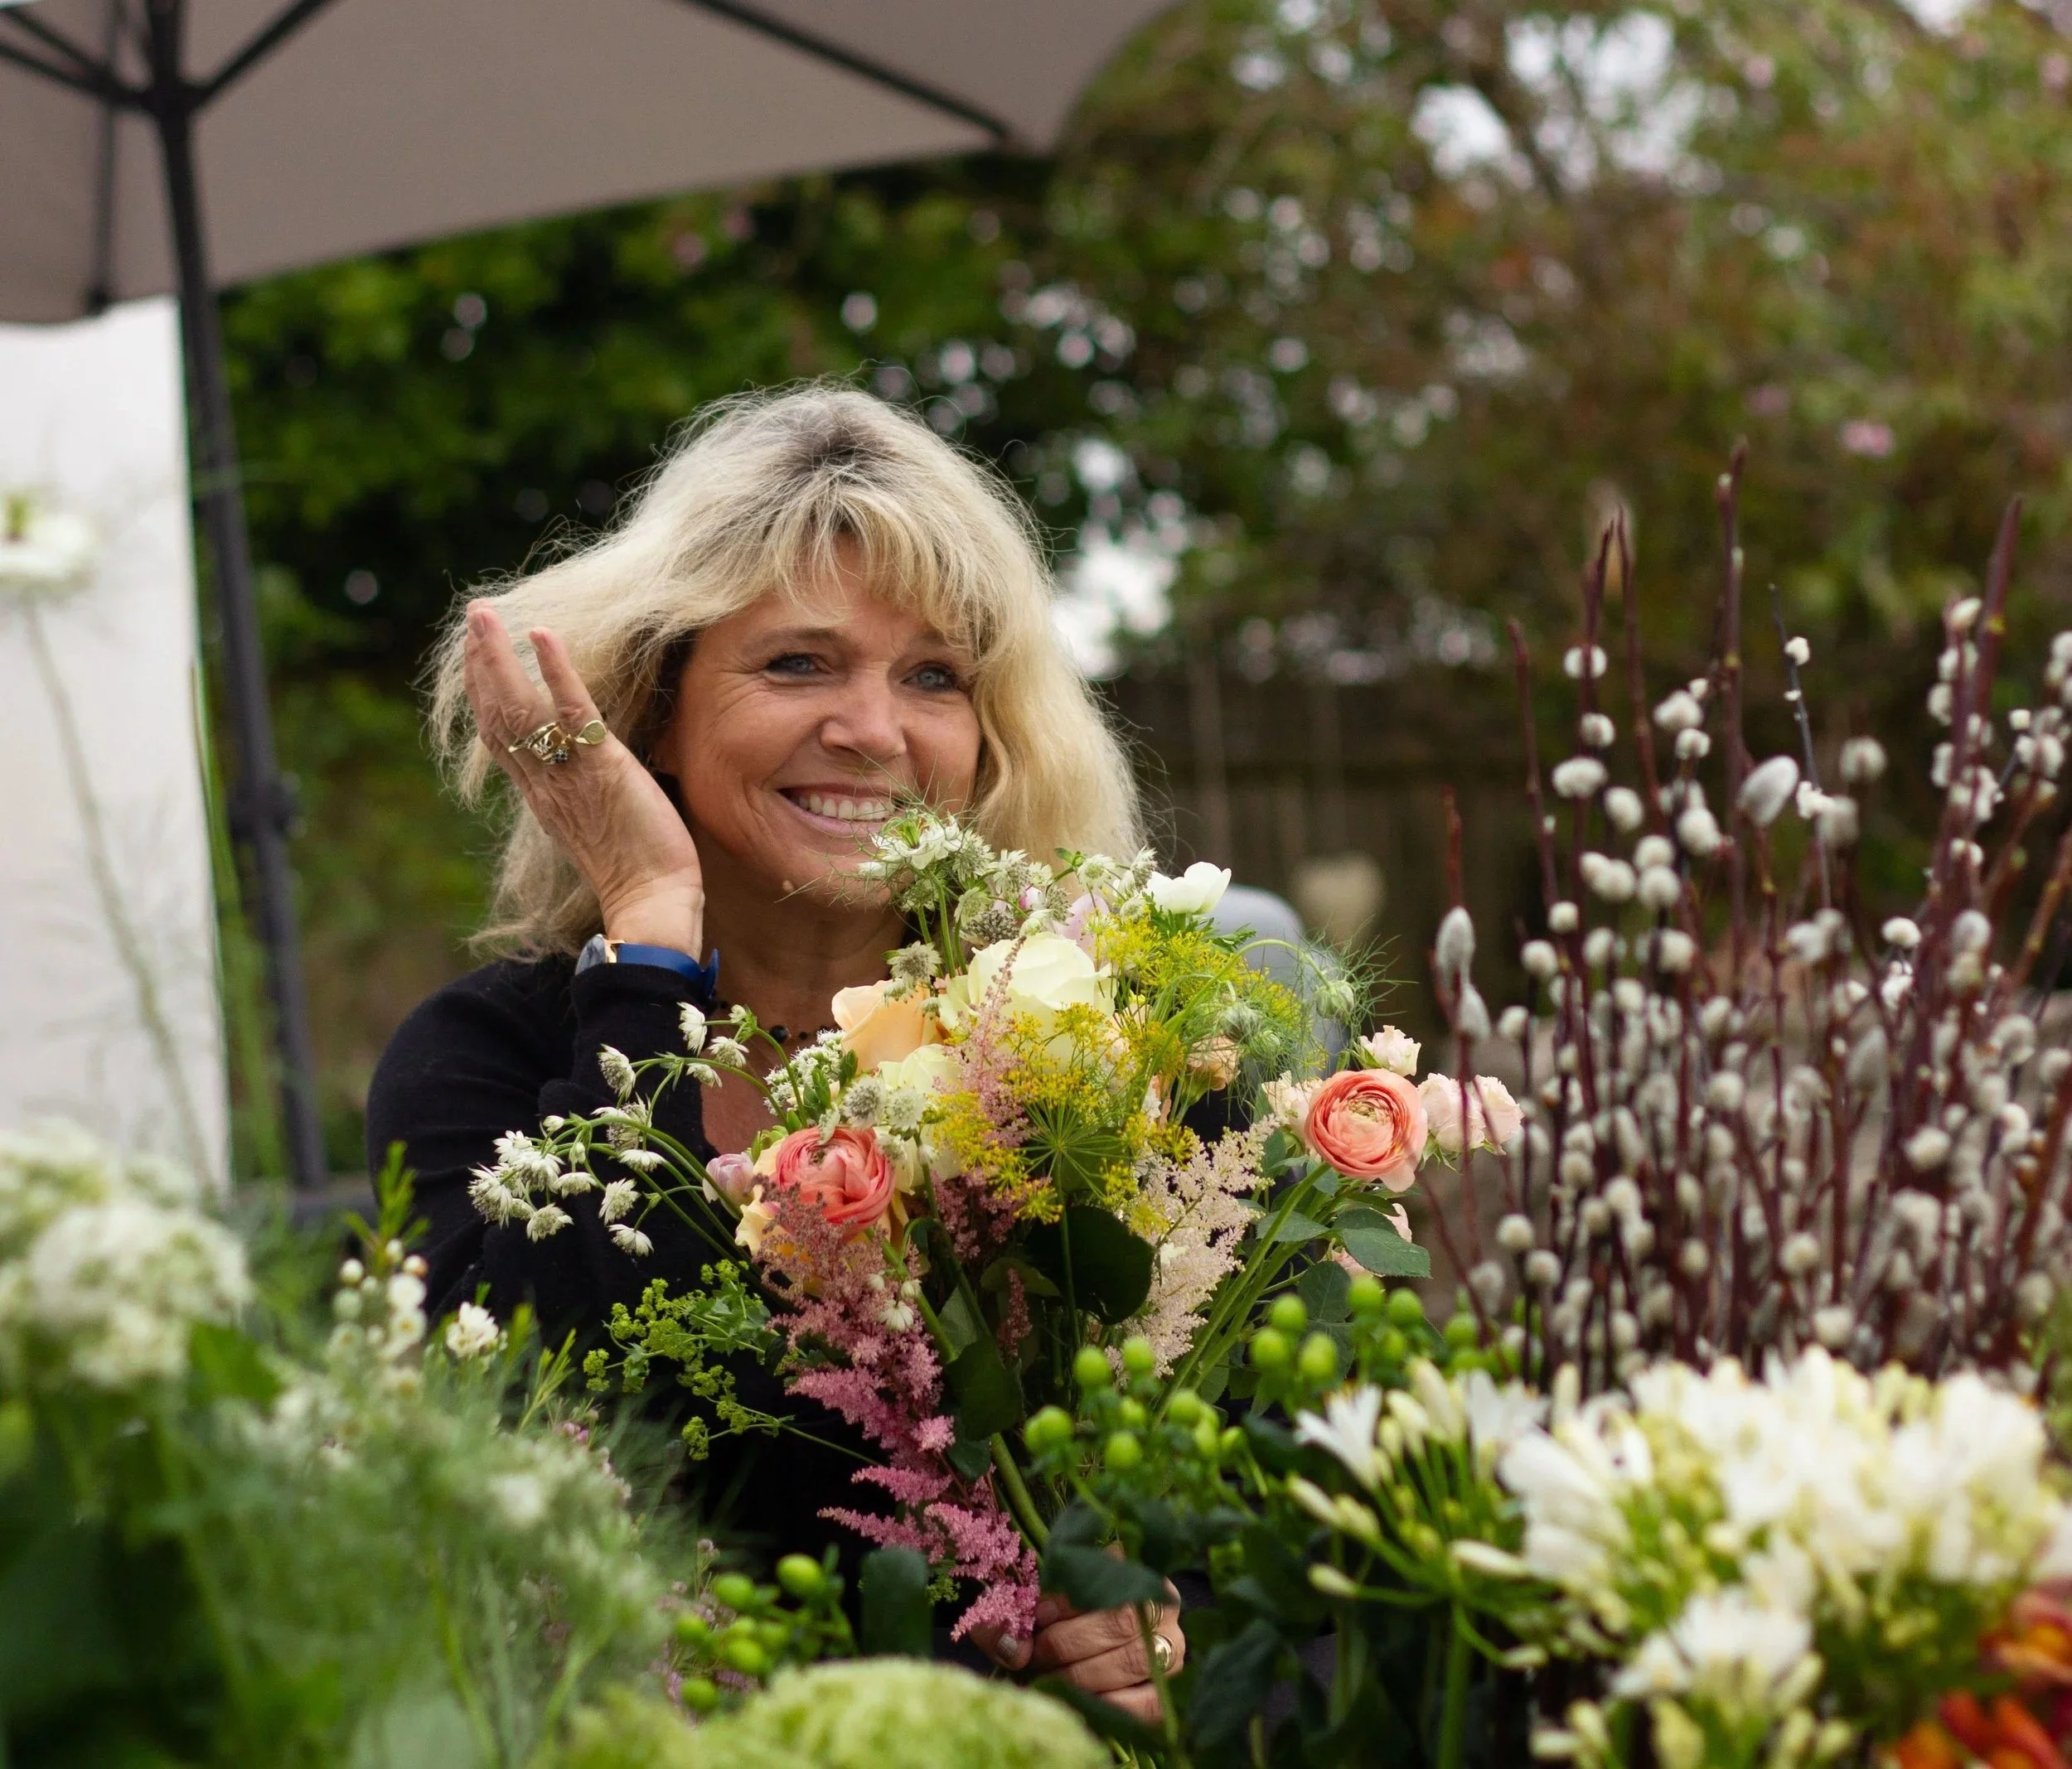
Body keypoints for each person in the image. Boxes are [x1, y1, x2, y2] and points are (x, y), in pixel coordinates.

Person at [367, 384, 1184, 1718]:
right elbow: (540, 1437)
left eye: (933, 676)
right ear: (656, 709)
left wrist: (1151, 1612)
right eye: (798, 663)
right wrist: (647, 930)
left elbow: (1250, 1475)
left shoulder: (1078, 1043)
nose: (874, 729)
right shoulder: (485, 1060)